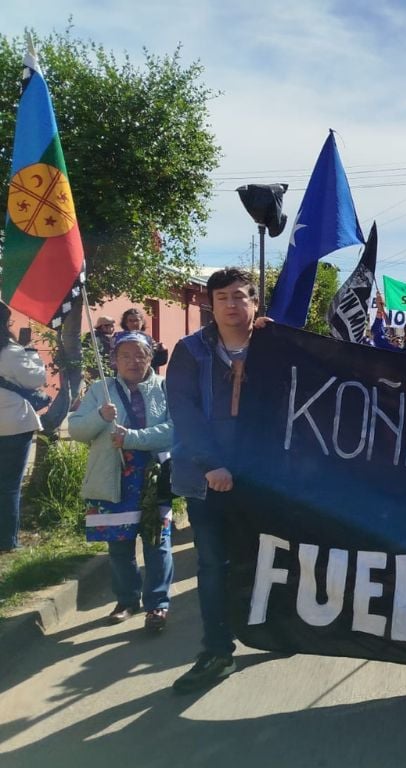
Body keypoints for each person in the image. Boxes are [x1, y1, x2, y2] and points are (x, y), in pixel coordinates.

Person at [166, 267, 269, 693]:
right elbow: (184, 411)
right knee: (213, 566)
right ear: (210, 303)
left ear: (254, 303)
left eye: (241, 296)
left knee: (268, 560)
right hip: (207, 478)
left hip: (264, 479)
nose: (232, 304)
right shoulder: (190, 351)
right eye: (223, 296)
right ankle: (216, 651)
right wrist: (211, 463)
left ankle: (277, 630)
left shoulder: (273, 346)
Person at [68, 332, 174, 631]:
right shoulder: (101, 389)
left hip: (153, 477)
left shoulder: (164, 388)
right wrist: (100, 416)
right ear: (114, 360)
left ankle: (158, 605)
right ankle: (127, 600)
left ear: (150, 358)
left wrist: (133, 438)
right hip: (113, 476)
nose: (133, 361)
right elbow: (77, 430)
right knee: (119, 546)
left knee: (158, 543)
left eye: (140, 354)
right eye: (125, 355)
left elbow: (177, 429)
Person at [0, 301, 46, 553]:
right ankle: (7, 541)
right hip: (13, 425)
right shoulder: (10, 352)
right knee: (8, 485)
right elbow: (36, 379)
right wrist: (32, 353)